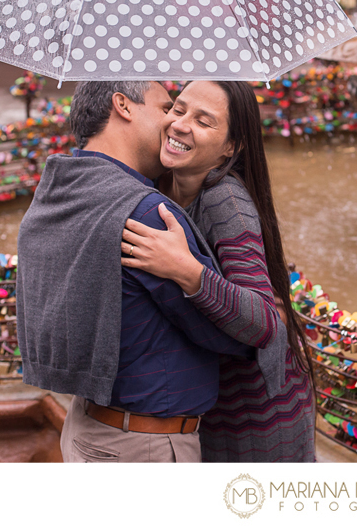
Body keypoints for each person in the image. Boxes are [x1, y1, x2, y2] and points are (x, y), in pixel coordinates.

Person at [16, 80, 270, 463]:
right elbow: (234, 337)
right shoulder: (147, 215)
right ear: (123, 105)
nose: (172, 122)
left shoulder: (61, 184)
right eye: (168, 107)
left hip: (86, 425)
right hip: (141, 444)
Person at [119, 80, 316, 462]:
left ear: (231, 146)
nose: (179, 125)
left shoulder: (224, 199)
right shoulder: (163, 183)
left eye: (203, 121)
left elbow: (264, 321)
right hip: (202, 406)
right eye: (178, 110)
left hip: (255, 416)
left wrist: (186, 270)